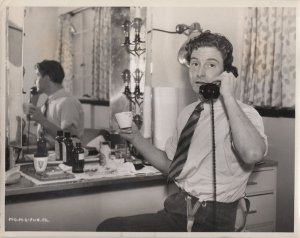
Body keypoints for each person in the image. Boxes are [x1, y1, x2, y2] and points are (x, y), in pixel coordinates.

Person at [96, 31, 267, 232]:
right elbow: (171, 166)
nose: (200, 72)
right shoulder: (188, 113)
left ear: (226, 73)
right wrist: (135, 136)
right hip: (179, 208)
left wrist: (228, 96)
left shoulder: (244, 114)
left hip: (214, 217)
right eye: (194, 63)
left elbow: (253, 154)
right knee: (109, 227)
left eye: (211, 64)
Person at [26, 60, 84, 147]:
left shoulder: (67, 102)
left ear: (47, 78)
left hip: (62, 157)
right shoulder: (49, 102)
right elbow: (47, 136)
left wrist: (42, 120)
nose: (35, 81)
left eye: (38, 76)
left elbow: (71, 139)